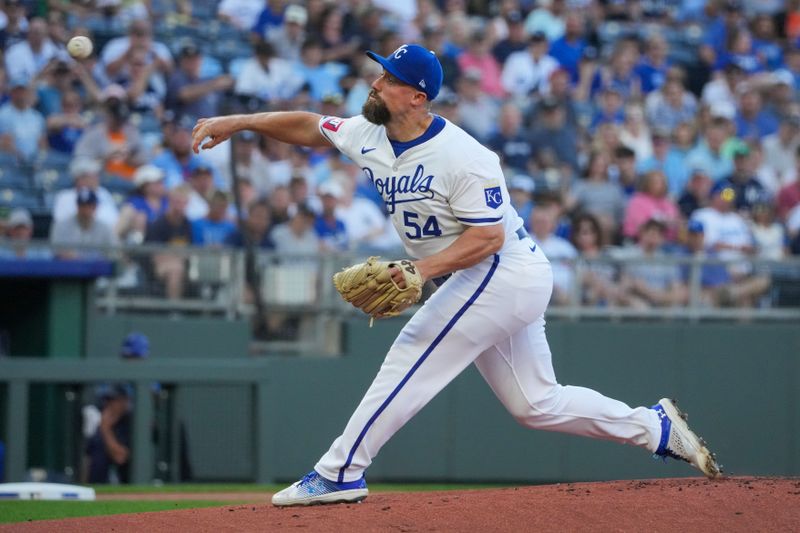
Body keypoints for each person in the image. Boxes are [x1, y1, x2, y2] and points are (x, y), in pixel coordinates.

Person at [191, 43, 721, 507]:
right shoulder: (367, 133)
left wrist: (420, 271)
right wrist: (237, 123)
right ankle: (655, 427)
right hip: (480, 276)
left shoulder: (465, 156)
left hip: (503, 270)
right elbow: (311, 125)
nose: (376, 83)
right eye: (380, 74)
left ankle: (339, 472)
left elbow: (487, 237)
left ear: (417, 97)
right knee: (535, 404)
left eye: (389, 80)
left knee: (414, 346)